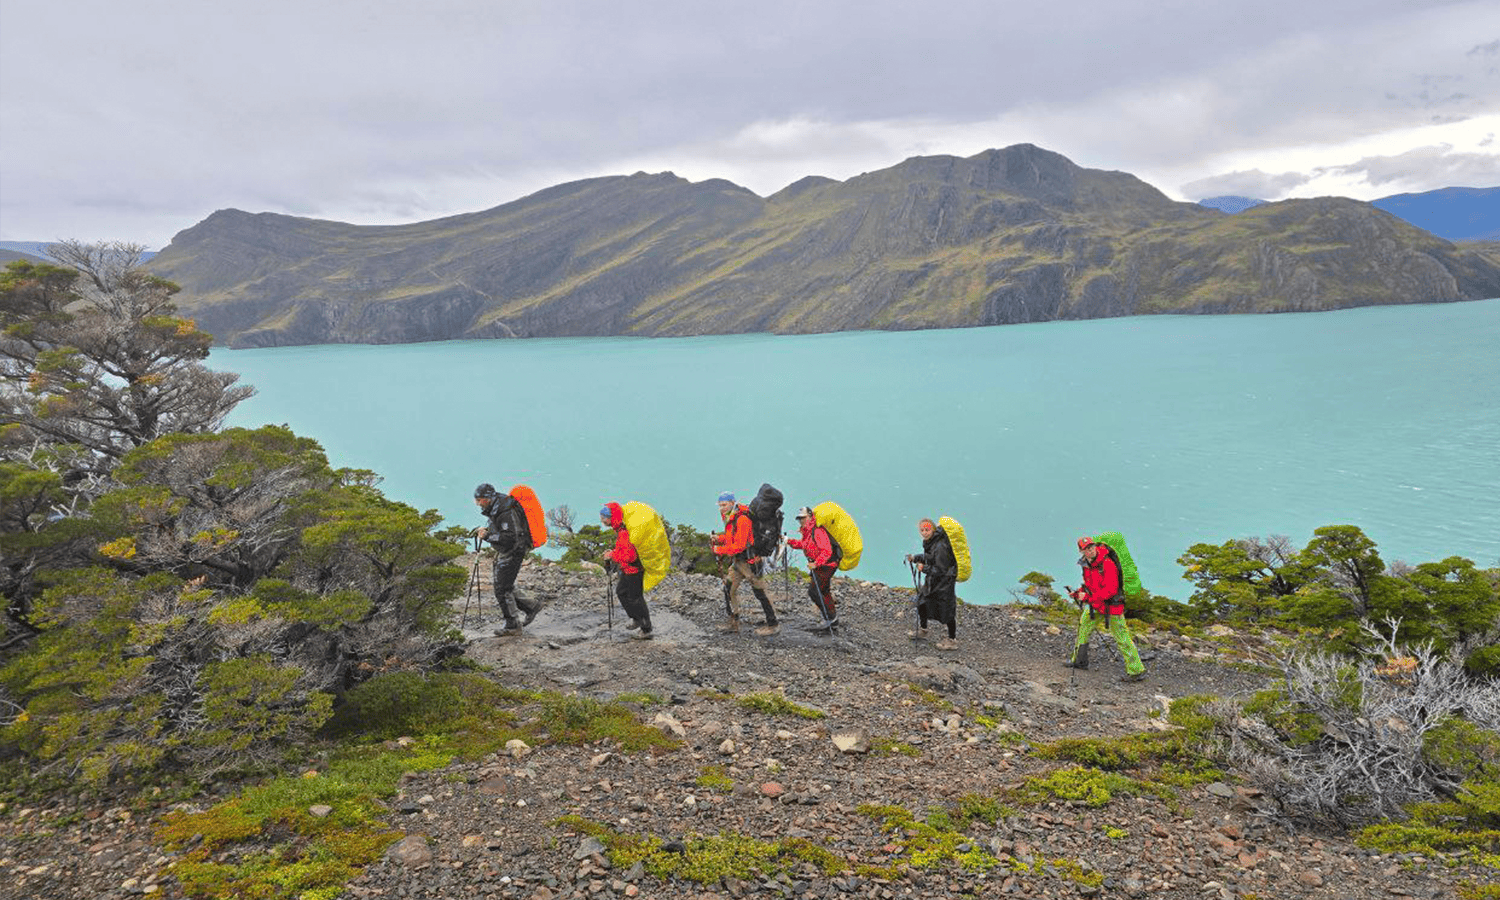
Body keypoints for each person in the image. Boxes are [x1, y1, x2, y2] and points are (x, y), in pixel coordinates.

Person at [1063, 536, 1147, 682]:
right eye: (1086, 549)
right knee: (1083, 628)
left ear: (1094, 547)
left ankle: (1136, 671)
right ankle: (1079, 661)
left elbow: (1111, 590)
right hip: (1095, 605)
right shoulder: (1086, 564)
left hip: (1112, 607)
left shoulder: (1107, 564)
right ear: (1081, 551)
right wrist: (1077, 594)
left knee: (1122, 638)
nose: (1089, 550)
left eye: (1091, 547)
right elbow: (1089, 585)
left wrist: (1087, 598)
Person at [474, 483, 541, 636]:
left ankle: (513, 625)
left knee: (502, 589)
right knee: (505, 586)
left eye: (479, 500)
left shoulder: (505, 510)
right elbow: (503, 530)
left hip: (513, 550)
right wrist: (489, 531)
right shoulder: (498, 505)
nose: (478, 503)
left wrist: (487, 536)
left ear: (488, 498)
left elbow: (509, 537)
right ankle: (531, 607)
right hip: (508, 550)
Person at [712, 491, 780, 636]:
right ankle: (733, 623)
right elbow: (733, 539)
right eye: (719, 505)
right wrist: (720, 539)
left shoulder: (742, 519)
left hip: (750, 563)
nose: (721, 508)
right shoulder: (730, 517)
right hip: (738, 562)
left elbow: (740, 545)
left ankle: (773, 625)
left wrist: (719, 549)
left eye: (724, 505)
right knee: (728, 589)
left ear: (732, 503)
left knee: (760, 593)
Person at [601, 503, 653, 640]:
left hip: (634, 570)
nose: (602, 521)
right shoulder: (621, 530)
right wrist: (613, 552)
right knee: (622, 592)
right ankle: (636, 619)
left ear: (612, 518)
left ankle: (646, 629)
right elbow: (624, 551)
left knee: (636, 599)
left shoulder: (624, 533)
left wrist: (612, 556)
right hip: (627, 569)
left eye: (604, 518)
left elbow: (630, 556)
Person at [906, 518, 958, 651]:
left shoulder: (940, 546)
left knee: (947, 610)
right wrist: (916, 558)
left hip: (944, 583)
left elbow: (941, 569)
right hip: (933, 581)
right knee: (922, 603)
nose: (924, 532)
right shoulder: (932, 542)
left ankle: (952, 640)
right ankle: (923, 630)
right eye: (922, 530)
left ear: (933, 529)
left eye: (927, 529)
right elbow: (930, 557)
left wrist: (924, 569)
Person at [786, 506, 838, 630]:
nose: (801, 521)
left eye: (803, 518)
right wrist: (788, 541)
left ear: (810, 517)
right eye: (799, 519)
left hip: (826, 566)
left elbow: (826, 551)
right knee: (823, 591)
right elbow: (804, 545)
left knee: (814, 592)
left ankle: (830, 619)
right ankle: (833, 619)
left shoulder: (817, 531)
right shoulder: (808, 531)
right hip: (823, 565)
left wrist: (816, 563)